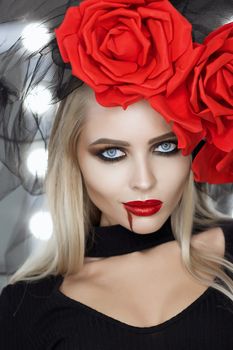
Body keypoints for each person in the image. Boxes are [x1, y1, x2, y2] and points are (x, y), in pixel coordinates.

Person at [0, 0, 233, 349]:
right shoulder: (23, 309)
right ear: (72, 160)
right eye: (112, 153)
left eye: (165, 148)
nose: (144, 180)